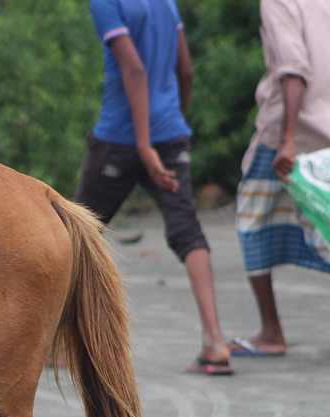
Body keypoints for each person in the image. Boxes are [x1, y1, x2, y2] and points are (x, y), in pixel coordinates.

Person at [74, 0, 234, 375]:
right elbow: (186, 70)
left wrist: (145, 145)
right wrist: (170, 121)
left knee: (76, 235)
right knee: (187, 228)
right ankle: (215, 341)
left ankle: (58, 347)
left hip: (120, 137)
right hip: (168, 132)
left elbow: (134, 69)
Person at [231, 0, 330, 358]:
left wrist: (287, 139)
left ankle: (272, 333)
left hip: (288, 134)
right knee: (325, 223)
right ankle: (271, 331)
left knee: (252, 220)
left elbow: (293, 70)